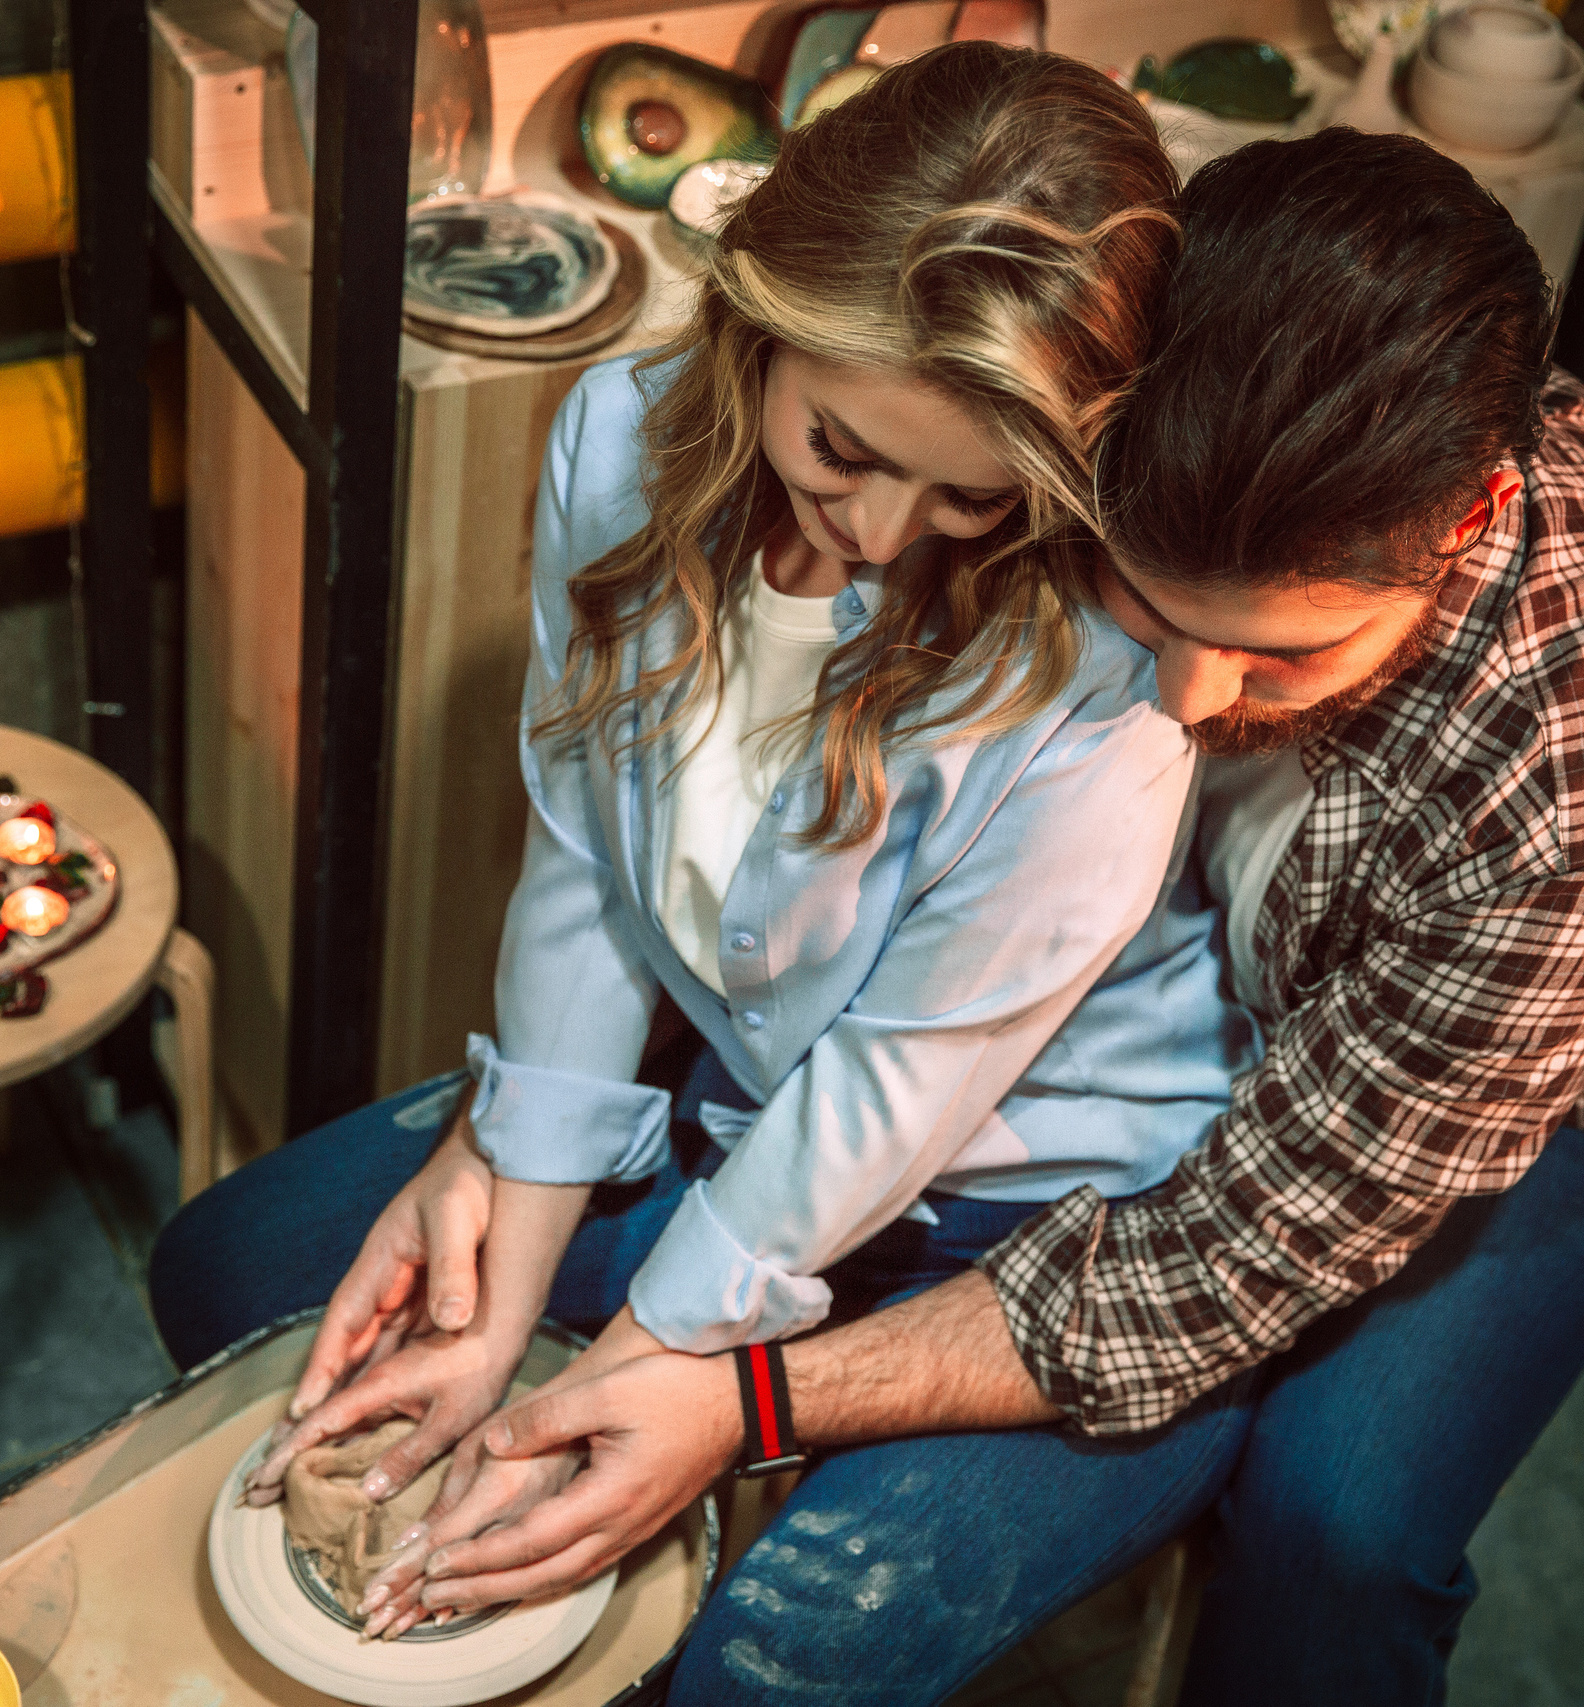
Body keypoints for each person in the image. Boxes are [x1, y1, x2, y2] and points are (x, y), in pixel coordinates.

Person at [378, 128, 1584, 1705]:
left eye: (1274, 659)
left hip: (1499, 1065)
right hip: (1137, 998)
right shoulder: (1121, 324)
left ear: (1462, 531)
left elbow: (1217, 1262)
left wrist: (747, 1398)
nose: (1186, 701)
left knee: (1338, 1528)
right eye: (1146, 606)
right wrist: (525, 1125)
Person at [149, 39, 1256, 1638]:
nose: (881, 537)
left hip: (1040, 1207)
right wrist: (516, 1215)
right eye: (844, 451)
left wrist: (624, 1385)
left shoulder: (1104, 682)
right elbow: (590, 859)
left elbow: (894, 1087)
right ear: (757, 322)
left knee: (763, 1653)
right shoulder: (619, 435)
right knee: (225, 1273)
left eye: (973, 499)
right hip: (750, 1112)